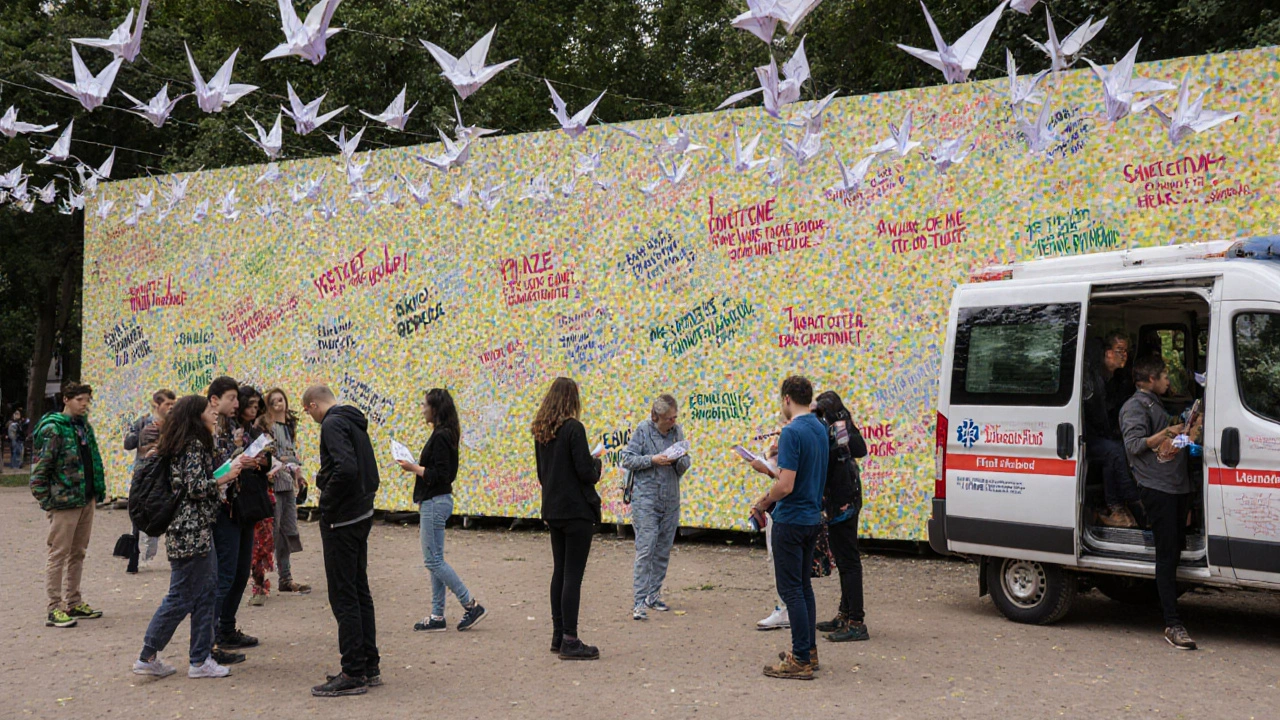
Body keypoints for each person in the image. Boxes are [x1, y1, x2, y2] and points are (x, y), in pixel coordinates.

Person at [133, 394, 243, 680]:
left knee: (205, 592)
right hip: (190, 530)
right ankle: (148, 655)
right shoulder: (193, 444)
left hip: (193, 529)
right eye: (210, 408)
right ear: (197, 414)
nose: (215, 411)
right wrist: (224, 477)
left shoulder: (186, 443)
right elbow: (195, 487)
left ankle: (200, 658)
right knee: (182, 595)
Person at [1120, 355, 1203, 651]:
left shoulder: (1155, 403)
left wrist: (1186, 428)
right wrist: (1169, 432)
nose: (1169, 381)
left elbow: (1167, 443)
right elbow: (1134, 446)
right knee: (1166, 556)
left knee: (1175, 550)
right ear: (1151, 380)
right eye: (1165, 376)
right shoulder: (1134, 406)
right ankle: (1172, 623)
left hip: (1176, 486)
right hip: (1158, 488)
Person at [303, 384, 381, 697]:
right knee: (359, 591)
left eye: (308, 412)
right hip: (360, 513)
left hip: (342, 519)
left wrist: (326, 501)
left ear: (312, 405)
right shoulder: (353, 421)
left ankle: (353, 672)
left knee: (344, 595)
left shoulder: (332, 423)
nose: (310, 418)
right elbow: (365, 470)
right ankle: (369, 665)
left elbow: (346, 468)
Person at [749, 376, 828, 680]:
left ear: (786, 400)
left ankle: (799, 659)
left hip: (791, 519)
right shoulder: (819, 428)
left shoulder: (792, 432)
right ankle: (808, 651)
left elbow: (785, 484)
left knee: (791, 590)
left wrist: (764, 501)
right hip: (811, 518)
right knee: (804, 588)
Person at [397, 388, 487, 632]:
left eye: (425, 405)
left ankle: (470, 603)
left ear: (435, 409)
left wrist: (413, 467)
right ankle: (437, 616)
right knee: (435, 560)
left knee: (433, 560)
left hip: (434, 502)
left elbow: (441, 475)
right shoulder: (445, 434)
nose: (422, 409)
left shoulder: (441, 437)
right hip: (437, 501)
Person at [532, 377, 603, 661]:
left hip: (553, 509)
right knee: (573, 574)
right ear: (572, 399)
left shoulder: (541, 431)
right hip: (576, 511)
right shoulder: (574, 428)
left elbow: (541, 474)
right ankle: (571, 640)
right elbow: (586, 472)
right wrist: (597, 463)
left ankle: (559, 635)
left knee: (559, 572)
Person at [30, 381, 106, 629]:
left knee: (78, 552)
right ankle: (54, 607)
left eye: (87, 400)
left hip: (85, 498)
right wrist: (47, 501)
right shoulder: (54, 429)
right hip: (64, 501)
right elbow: (40, 469)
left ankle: (73, 601)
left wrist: (96, 491)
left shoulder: (83, 427)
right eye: (79, 400)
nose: (84, 405)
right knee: (58, 553)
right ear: (66, 399)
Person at [620, 393, 691, 621]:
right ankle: (638, 602)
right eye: (669, 418)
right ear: (655, 417)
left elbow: (684, 465)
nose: (673, 422)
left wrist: (679, 458)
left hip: (670, 498)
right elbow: (627, 459)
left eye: (675, 417)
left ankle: (654, 595)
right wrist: (653, 459)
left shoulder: (677, 432)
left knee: (663, 549)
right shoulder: (643, 430)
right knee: (646, 548)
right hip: (646, 499)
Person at [811, 391, 870, 643]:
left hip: (843, 504)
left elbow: (858, 449)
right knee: (844, 561)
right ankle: (844, 615)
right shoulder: (830, 428)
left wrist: (840, 425)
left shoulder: (841, 428)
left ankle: (856, 621)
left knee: (849, 562)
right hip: (838, 503)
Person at [206, 377, 255, 666]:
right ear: (215, 400)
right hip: (221, 510)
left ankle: (224, 629)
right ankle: (209, 642)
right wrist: (236, 457)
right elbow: (212, 469)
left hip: (238, 506)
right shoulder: (209, 428)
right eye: (232, 398)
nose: (237, 404)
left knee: (238, 572)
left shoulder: (228, 427)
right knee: (223, 575)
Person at [1085, 333, 1142, 528]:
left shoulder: (1116, 378)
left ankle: (1120, 507)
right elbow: (1096, 417)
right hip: (1085, 436)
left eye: (1126, 351)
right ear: (1107, 353)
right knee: (1114, 451)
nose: (1124, 355)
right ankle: (1127, 504)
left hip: (1103, 435)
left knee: (1119, 449)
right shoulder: (1092, 380)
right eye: (1119, 351)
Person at [259, 388, 311, 595]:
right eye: (274, 401)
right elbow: (269, 455)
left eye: (281, 400)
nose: (279, 404)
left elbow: (291, 454)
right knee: (270, 533)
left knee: (287, 532)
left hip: (287, 484)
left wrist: (299, 475)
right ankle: (259, 581)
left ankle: (286, 577)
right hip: (273, 483)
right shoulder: (266, 427)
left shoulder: (288, 426)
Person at [236, 387, 277, 607]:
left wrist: (261, 462)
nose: (253, 409)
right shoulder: (231, 430)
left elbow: (268, 459)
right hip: (239, 495)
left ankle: (259, 584)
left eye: (256, 406)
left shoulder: (256, 432)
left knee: (262, 542)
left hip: (258, 493)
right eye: (249, 405)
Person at [127, 389, 176, 573]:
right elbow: (128, 443)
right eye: (167, 404)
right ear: (157, 405)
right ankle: (134, 557)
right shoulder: (142, 422)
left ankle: (161, 554)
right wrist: (140, 435)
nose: (171, 408)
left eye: (173, 404)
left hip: (165, 475)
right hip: (144, 475)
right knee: (138, 514)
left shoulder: (175, 423)